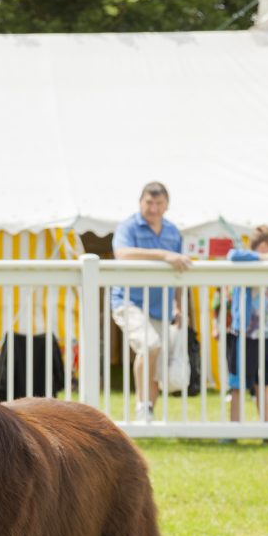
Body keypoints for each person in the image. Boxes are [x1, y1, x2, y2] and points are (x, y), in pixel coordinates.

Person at [111, 181, 191, 422]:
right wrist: (163, 255)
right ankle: (141, 408)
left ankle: (147, 417)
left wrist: (178, 305)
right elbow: (122, 254)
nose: (153, 208)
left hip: (161, 307)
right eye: (149, 203)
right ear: (140, 203)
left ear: (167, 205)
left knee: (156, 365)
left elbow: (179, 272)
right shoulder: (128, 227)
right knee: (150, 345)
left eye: (158, 203)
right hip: (128, 301)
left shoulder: (172, 232)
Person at [226, 226, 268, 431]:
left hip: (266, 334)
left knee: (264, 382)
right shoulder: (247, 261)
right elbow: (232, 255)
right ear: (265, 246)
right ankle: (234, 428)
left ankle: (267, 429)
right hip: (245, 333)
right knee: (238, 383)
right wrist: (263, 258)